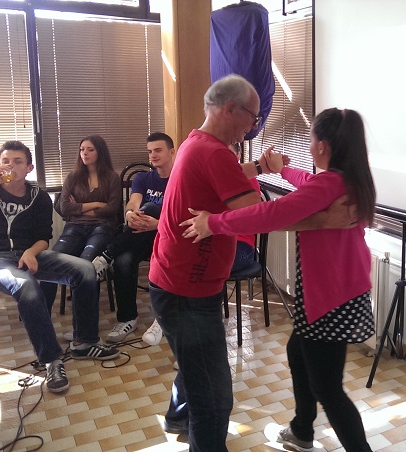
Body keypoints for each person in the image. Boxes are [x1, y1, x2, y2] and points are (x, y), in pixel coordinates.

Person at [148, 74, 352, 451]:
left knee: (197, 371)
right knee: (214, 401)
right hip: (186, 291)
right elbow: (261, 216)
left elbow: (224, 176)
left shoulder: (199, 143)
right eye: (253, 118)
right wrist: (324, 221)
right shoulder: (213, 151)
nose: (254, 126)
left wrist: (260, 167)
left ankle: (177, 417)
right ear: (230, 109)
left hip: (179, 283)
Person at [180, 108, 376, 452]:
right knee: (297, 352)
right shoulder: (347, 180)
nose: (309, 145)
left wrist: (214, 222)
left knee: (328, 389)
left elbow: (272, 213)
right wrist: (282, 169)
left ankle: (329, 439)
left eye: (311, 139)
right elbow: (309, 185)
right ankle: (301, 430)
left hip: (328, 300)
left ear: (321, 146)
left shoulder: (330, 184)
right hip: (343, 293)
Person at [0, 141, 120, 394]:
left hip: (30, 253)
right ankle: (51, 360)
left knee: (84, 269)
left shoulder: (39, 197)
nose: (10, 166)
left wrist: (30, 251)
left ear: (29, 167)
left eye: (17, 161)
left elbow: (43, 238)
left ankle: (84, 342)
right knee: (26, 286)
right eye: (5, 161)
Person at [89, 132, 176, 344]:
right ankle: (128, 319)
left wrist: (158, 224)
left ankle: (106, 256)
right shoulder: (142, 179)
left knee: (151, 207)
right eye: (150, 151)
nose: (153, 155)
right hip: (140, 237)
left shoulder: (181, 179)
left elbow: (182, 216)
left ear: (172, 152)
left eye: (158, 150)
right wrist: (129, 214)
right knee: (123, 260)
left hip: (168, 238)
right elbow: (134, 202)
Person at [41, 135, 121, 310]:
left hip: (102, 227)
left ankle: (84, 316)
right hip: (75, 227)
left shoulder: (112, 177)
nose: (84, 153)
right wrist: (97, 204)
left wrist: (79, 207)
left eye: (90, 150)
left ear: (100, 152)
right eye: (82, 149)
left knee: (86, 262)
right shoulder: (73, 176)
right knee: (50, 261)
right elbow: (65, 207)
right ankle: (41, 312)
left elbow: (112, 209)